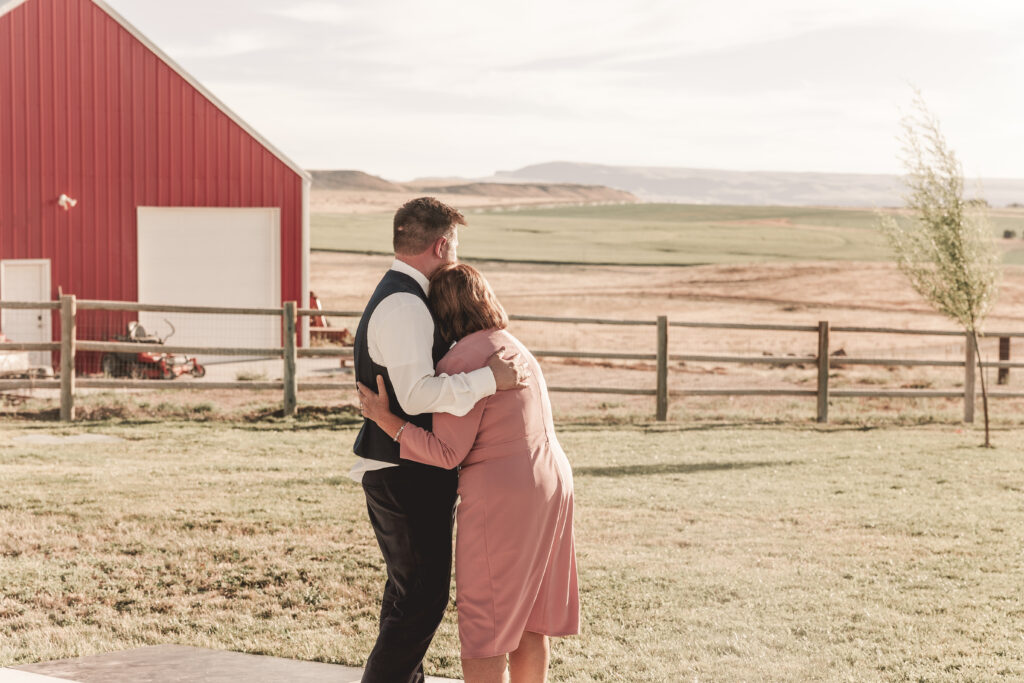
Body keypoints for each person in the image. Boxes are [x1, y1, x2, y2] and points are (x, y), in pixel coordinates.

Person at [358, 263, 580, 683]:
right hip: (553, 482)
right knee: (528, 616)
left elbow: (445, 452)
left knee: (488, 621)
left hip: (503, 498)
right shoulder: (513, 347)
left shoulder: (462, 361)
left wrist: (387, 421)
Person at [352, 198, 527, 683]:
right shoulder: (406, 305)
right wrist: (491, 381)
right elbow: (417, 392)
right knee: (421, 603)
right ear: (442, 244)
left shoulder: (396, 296)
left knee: (410, 599)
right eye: (456, 246)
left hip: (400, 469)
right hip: (405, 475)